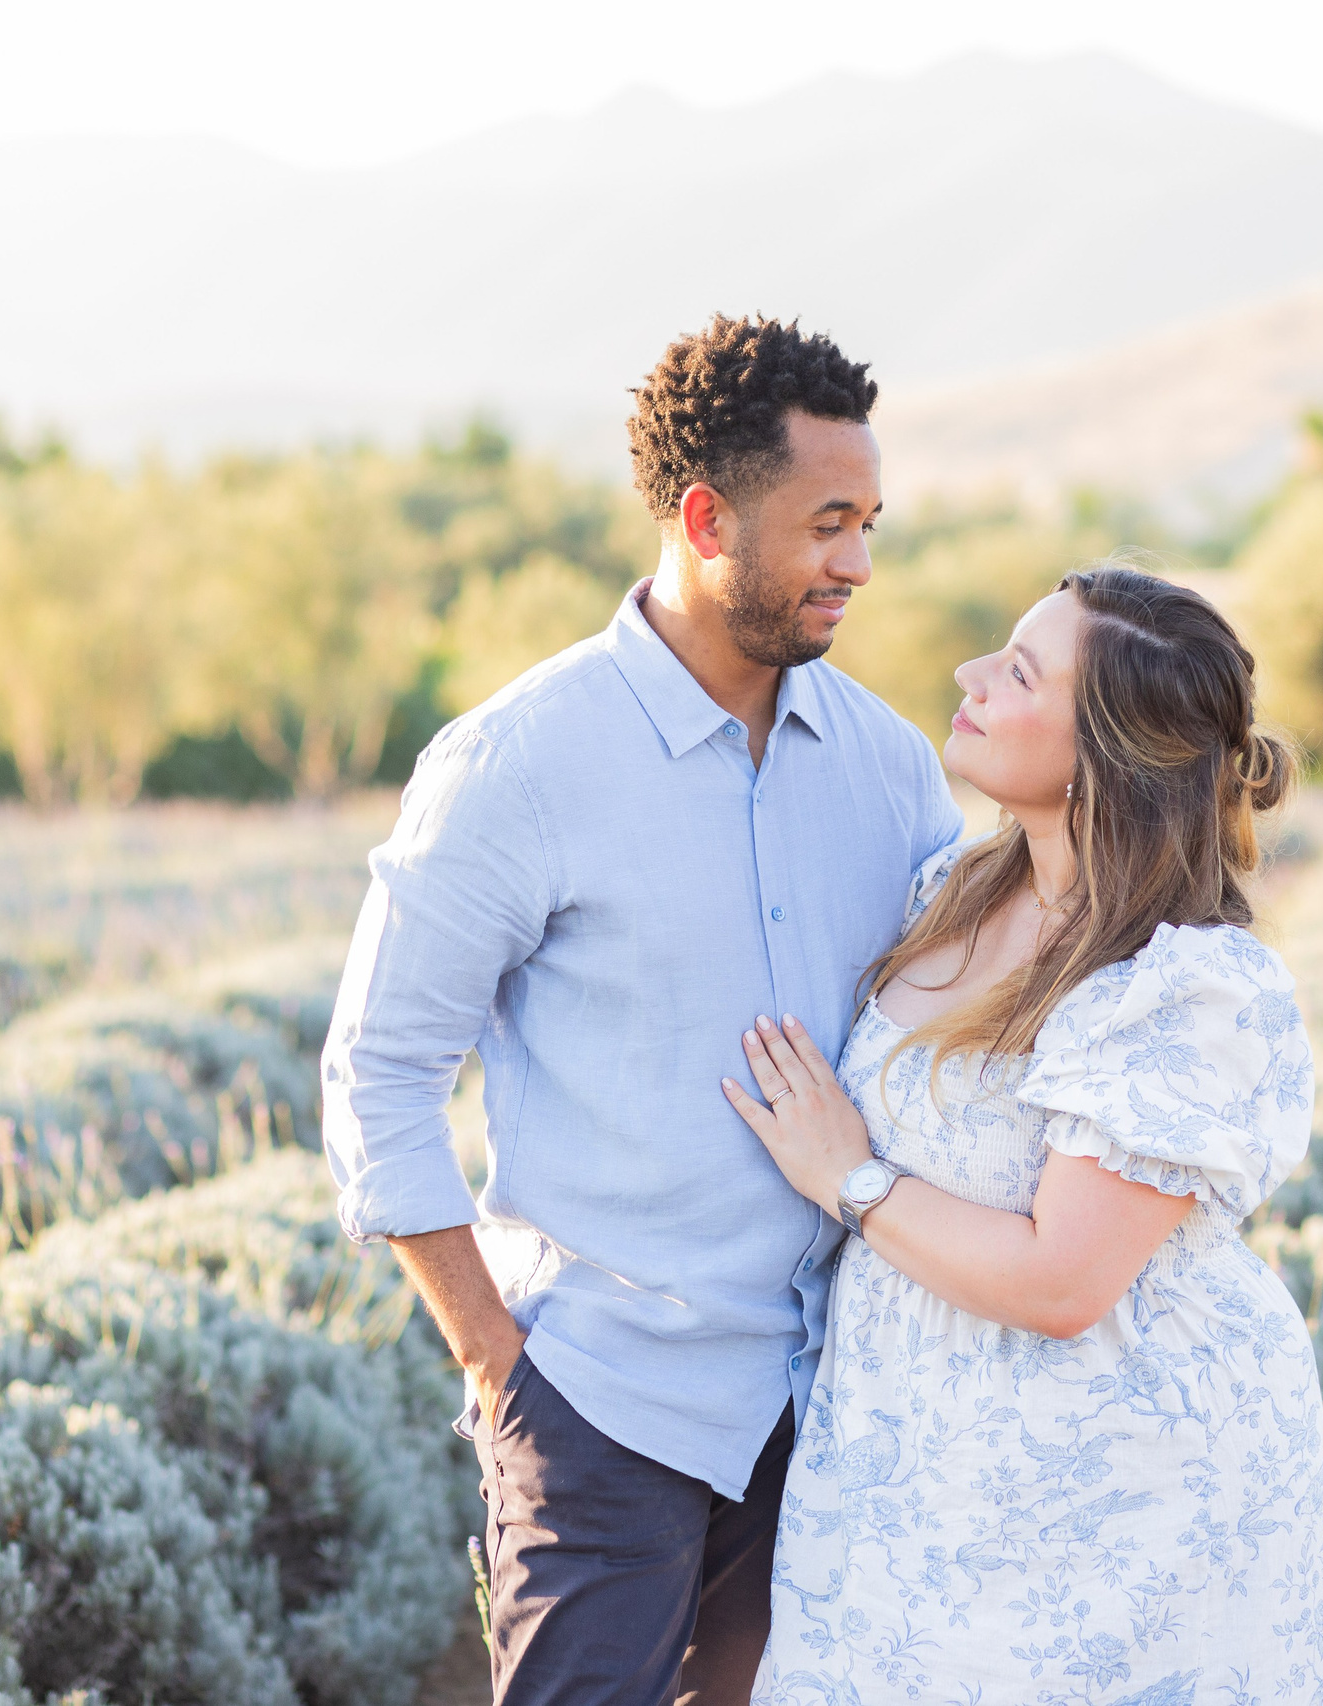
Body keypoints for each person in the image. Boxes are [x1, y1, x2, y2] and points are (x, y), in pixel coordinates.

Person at [321, 314, 961, 1705]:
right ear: (706, 517)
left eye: (869, 524)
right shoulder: (516, 763)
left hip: (833, 1410)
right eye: (828, 524)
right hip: (600, 1408)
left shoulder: (893, 767)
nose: (858, 563)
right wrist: (498, 1362)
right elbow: (377, 1073)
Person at [724, 566, 1323, 1704]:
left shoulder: (1181, 985)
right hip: (911, 1451)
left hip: (1123, 1487)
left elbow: (1064, 1281)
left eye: (1018, 672)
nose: (971, 674)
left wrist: (847, 1175)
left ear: (1101, 754)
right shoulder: (949, 890)